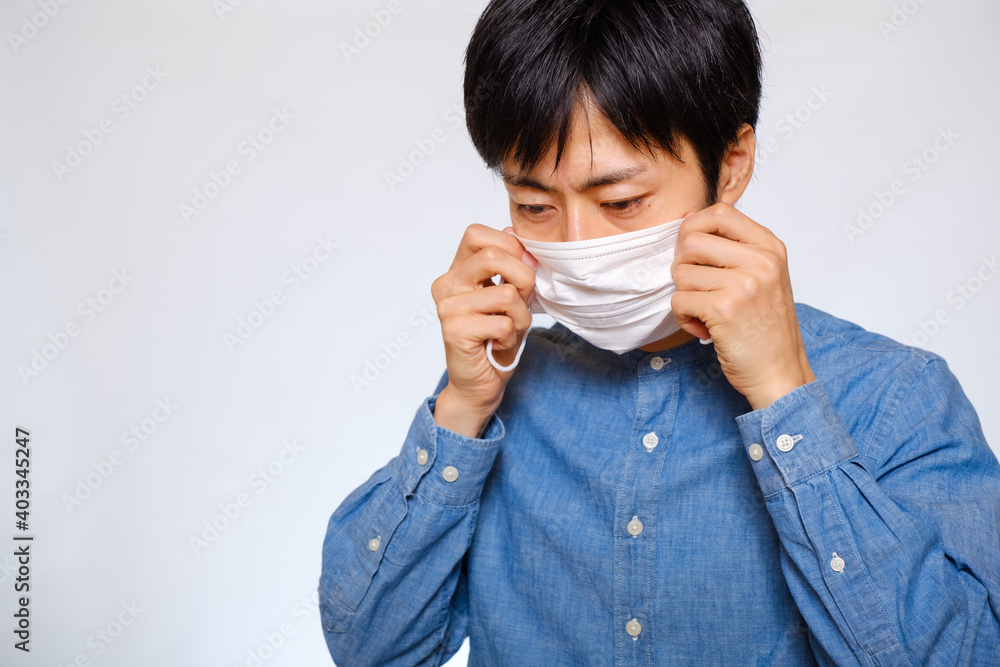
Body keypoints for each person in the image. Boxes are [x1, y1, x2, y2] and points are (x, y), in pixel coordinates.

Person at [319, 0, 1000, 664]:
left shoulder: (894, 396)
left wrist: (783, 396)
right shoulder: (497, 389)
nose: (578, 243)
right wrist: (461, 411)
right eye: (533, 204)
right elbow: (370, 648)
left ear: (730, 165)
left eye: (621, 201)